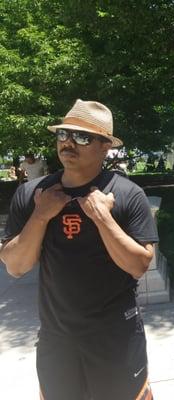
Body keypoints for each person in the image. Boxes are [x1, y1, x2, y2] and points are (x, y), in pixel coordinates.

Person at [0, 99, 159, 400]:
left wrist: (102, 218)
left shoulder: (127, 195)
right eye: (64, 135)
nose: (69, 143)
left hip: (116, 340)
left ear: (105, 146)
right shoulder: (32, 195)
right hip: (56, 342)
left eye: (82, 137)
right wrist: (41, 215)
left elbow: (138, 265)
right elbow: (15, 266)